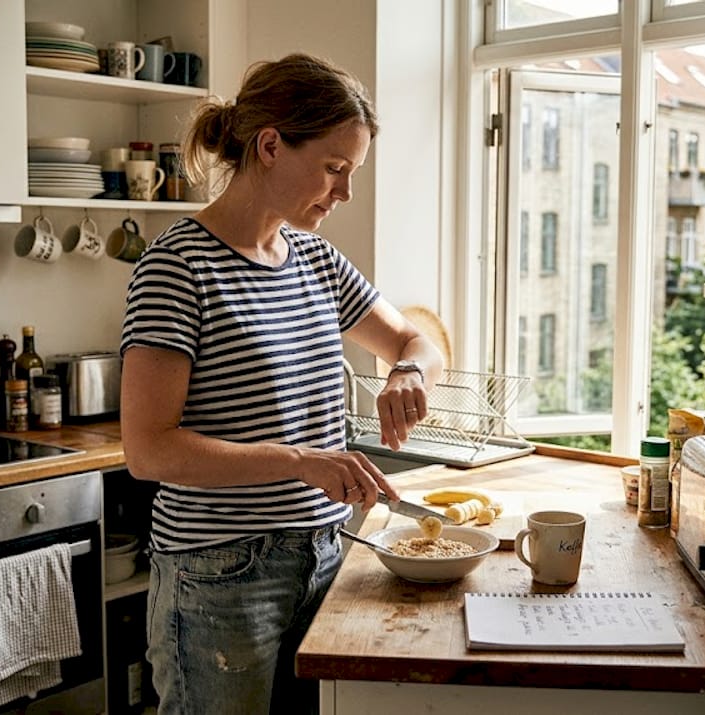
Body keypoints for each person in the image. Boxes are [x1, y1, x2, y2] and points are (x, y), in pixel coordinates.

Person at [117, 53, 445, 715]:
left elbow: (418, 340)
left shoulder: (316, 260)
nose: (344, 192)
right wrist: (300, 463)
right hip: (219, 577)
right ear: (270, 145)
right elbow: (149, 450)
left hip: (325, 556)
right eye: (334, 168)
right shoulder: (177, 266)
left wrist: (408, 370)